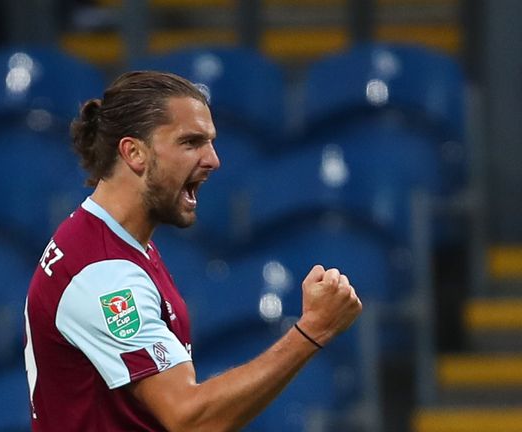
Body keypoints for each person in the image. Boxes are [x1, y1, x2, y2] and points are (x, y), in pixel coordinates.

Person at [23, 70, 363, 431]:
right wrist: (313, 330)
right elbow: (190, 418)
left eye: (211, 142)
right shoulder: (103, 274)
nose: (214, 160)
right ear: (134, 152)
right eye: (190, 142)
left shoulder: (114, 242)